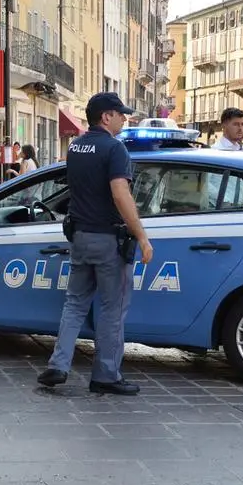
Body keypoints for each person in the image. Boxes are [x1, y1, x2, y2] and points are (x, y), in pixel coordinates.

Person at [37, 92, 153, 396]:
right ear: (106, 117)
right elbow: (120, 194)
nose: (124, 119)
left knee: (74, 303)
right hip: (108, 240)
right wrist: (141, 235)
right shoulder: (115, 149)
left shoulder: (76, 147)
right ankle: (106, 374)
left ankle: (58, 365)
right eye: (120, 114)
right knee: (112, 309)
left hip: (80, 237)